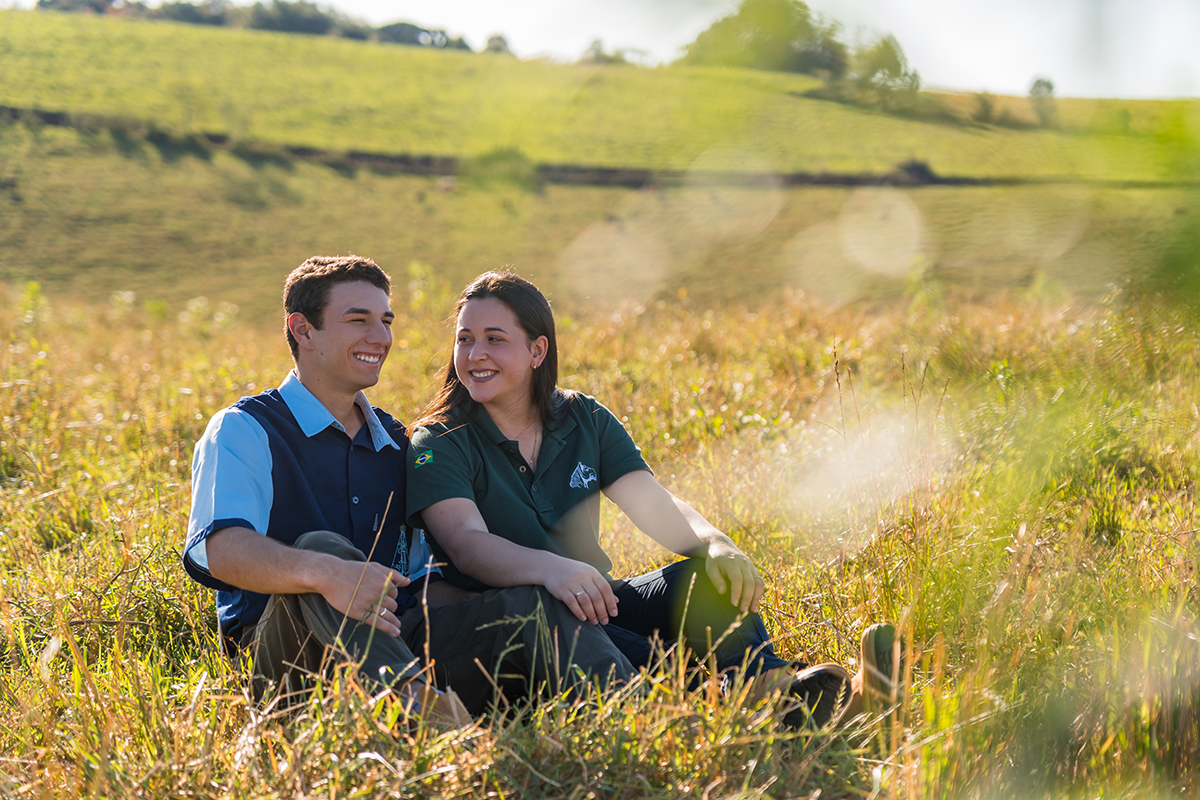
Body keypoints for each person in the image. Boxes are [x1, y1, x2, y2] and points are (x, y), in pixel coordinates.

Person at [406, 271, 903, 727]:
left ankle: (784, 696)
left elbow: (651, 501)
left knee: (703, 576)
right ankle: (770, 713)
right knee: (580, 627)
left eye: (495, 340)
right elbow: (467, 543)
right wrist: (550, 569)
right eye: (465, 340)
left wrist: (715, 544)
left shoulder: (582, 417)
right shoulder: (440, 439)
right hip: (508, 622)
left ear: (538, 351)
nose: (475, 355)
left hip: (594, 600)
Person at [183, 256, 633, 723]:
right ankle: (422, 716)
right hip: (293, 663)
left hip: (403, 640)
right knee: (323, 554)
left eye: (385, 321)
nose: (380, 338)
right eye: (358, 320)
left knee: (530, 604)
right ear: (302, 330)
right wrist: (321, 573)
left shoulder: (396, 442)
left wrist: (504, 609)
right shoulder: (245, 429)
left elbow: (420, 583)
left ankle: (638, 714)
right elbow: (217, 549)